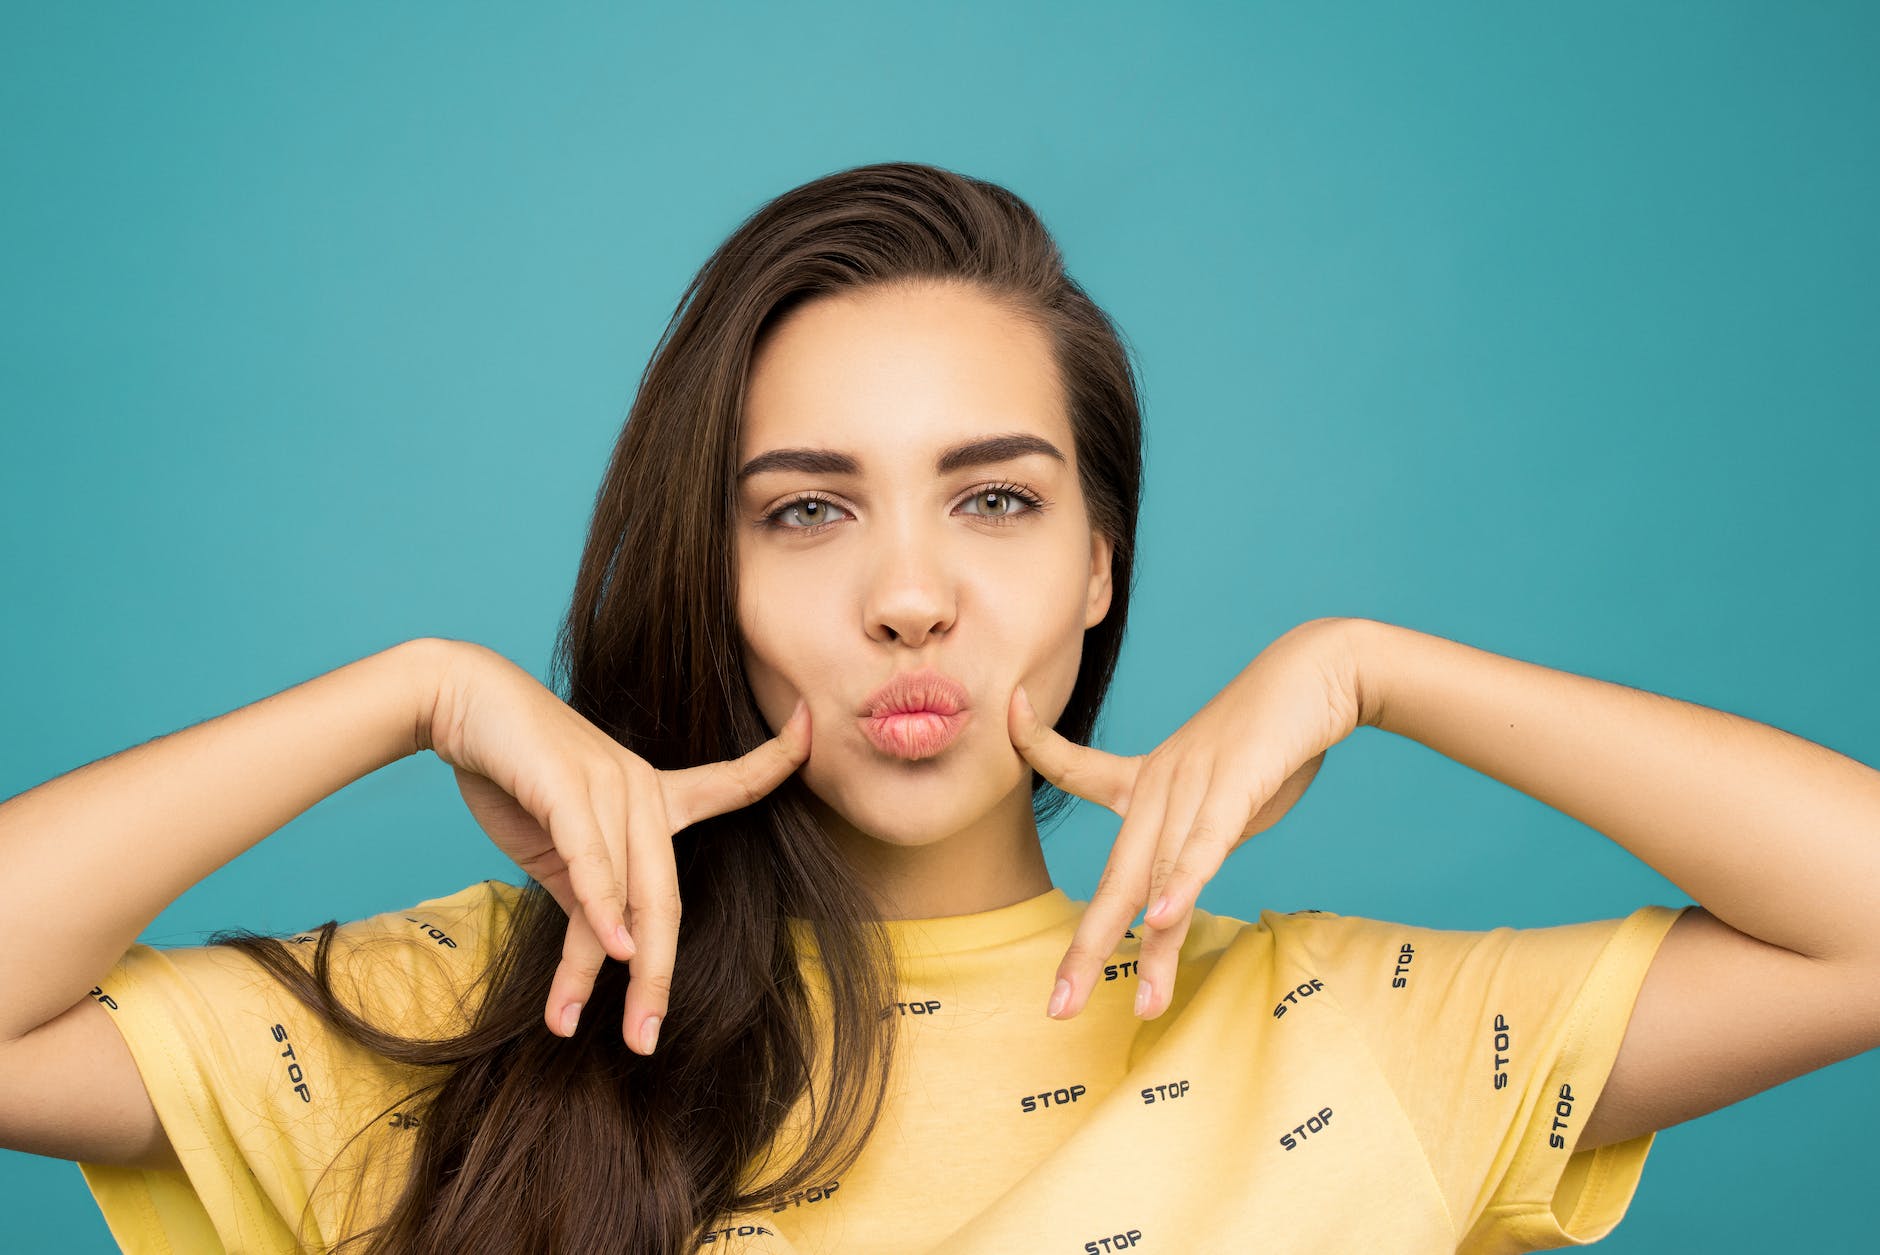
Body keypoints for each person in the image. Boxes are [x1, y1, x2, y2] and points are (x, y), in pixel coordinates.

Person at [2, 161, 1876, 1255]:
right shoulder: (487, 1020)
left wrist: (1377, 669)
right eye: (806, 510)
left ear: (1099, 569)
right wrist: (405, 696)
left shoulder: (1345, 1034)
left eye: (996, 498)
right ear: (707, 575)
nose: (909, 591)